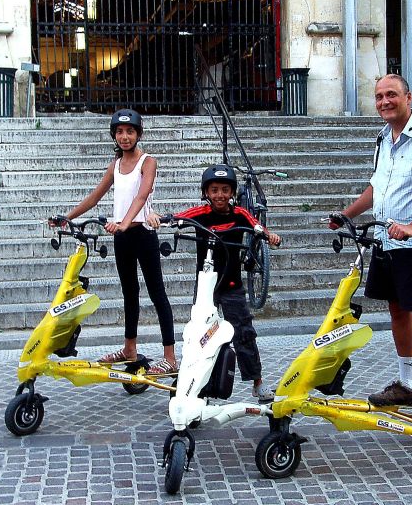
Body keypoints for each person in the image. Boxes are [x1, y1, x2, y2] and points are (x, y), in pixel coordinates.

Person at [329, 73, 412, 427]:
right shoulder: (383, 138)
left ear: (408, 96)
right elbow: (377, 188)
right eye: (378, 97)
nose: (384, 102)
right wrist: (347, 214)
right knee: (398, 313)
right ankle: (408, 385)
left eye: (391, 94)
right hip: (385, 242)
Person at [52, 109, 177, 375]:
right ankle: (129, 348)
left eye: (130, 131)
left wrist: (124, 221)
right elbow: (95, 197)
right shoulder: (115, 165)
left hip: (143, 234)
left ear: (138, 134)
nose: (124, 136)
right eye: (119, 132)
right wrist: (66, 217)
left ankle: (170, 357)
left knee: (158, 294)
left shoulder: (148, 162)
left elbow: (141, 197)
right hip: (122, 237)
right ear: (114, 135)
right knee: (129, 294)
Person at [149, 163, 282, 401]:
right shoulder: (200, 214)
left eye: (224, 190)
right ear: (206, 193)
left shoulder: (240, 214)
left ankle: (257, 382)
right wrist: (158, 218)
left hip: (231, 285)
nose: (219, 195)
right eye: (214, 190)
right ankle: (196, 385)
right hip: (205, 287)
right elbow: (176, 218)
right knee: (198, 336)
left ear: (232, 193)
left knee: (244, 333)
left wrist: (269, 235)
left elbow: (257, 227)